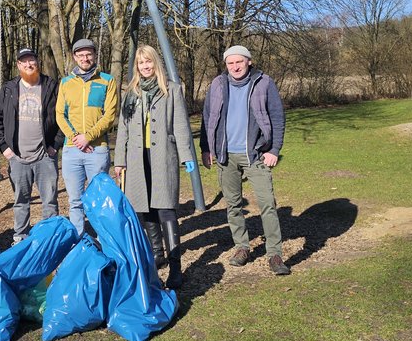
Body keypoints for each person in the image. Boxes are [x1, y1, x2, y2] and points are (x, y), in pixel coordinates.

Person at [200, 45, 290, 276]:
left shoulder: (264, 83)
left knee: (267, 203)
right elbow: (207, 117)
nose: (235, 67)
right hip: (225, 155)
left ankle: (274, 254)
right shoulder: (218, 85)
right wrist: (206, 149)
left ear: (249, 61)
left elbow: (277, 117)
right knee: (233, 205)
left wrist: (275, 149)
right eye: (230, 63)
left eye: (239, 62)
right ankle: (242, 247)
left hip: (256, 154)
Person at [113, 45, 195, 289]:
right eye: (141, 63)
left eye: (148, 62)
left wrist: (186, 155)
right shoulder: (131, 92)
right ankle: (157, 253)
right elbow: (123, 129)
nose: (145, 67)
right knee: (145, 209)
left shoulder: (171, 89)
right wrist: (119, 159)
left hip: (163, 156)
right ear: (137, 67)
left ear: (155, 63)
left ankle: (176, 267)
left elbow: (180, 125)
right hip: (137, 159)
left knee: (166, 209)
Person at [0, 48, 64, 243]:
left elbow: (63, 117)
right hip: (18, 157)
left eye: (31, 60)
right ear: (18, 65)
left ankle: (50, 237)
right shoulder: (8, 89)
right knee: (21, 201)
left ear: (37, 62)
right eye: (24, 62)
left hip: (44, 156)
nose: (28, 64)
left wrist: (55, 145)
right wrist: (4, 148)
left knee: (49, 200)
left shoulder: (51, 86)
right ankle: (20, 236)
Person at [56, 38, 119, 235]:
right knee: (75, 200)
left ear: (94, 55)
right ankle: (79, 241)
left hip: (97, 149)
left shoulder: (107, 81)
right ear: (75, 57)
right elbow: (60, 114)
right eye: (81, 55)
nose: (85, 58)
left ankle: (104, 239)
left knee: (99, 199)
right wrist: (76, 137)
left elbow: (110, 115)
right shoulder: (66, 83)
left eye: (88, 54)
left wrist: (88, 137)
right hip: (71, 150)